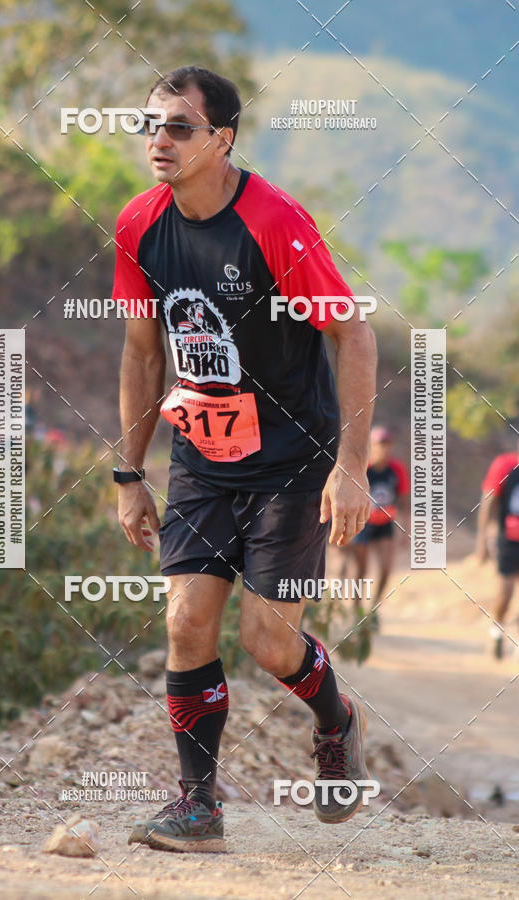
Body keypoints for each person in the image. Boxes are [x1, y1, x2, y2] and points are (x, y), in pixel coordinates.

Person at [111, 65, 377, 852]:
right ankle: (199, 808)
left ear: (221, 140)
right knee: (188, 622)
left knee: (267, 640)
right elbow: (140, 354)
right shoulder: (138, 224)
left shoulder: (274, 222)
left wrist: (352, 466)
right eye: (150, 125)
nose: (159, 140)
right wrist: (130, 474)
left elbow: (353, 334)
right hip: (201, 453)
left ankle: (338, 717)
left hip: (295, 455)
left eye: (178, 128)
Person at [349, 426, 409, 619]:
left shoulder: (395, 469)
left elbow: (404, 501)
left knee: (385, 567)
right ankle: (356, 610)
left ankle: (374, 608)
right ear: (371, 446)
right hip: (364, 522)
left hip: (385, 522)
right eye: (379, 444)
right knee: (361, 569)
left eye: (386, 444)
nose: (383, 448)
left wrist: (405, 530)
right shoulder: (364, 468)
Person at [476, 437, 519, 659]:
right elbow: (488, 501)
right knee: (506, 590)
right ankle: (497, 630)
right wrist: (482, 541)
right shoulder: (505, 465)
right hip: (509, 537)